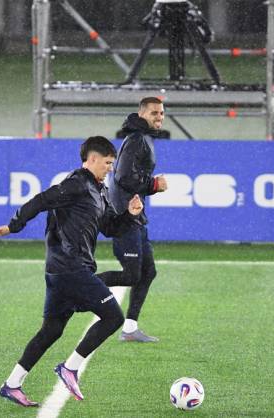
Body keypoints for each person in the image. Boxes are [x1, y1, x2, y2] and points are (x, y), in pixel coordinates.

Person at [0, 136, 143, 406]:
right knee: (113, 317)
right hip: (70, 267)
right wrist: (14, 226)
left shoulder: (99, 190)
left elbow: (109, 228)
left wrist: (130, 215)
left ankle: (12, 384)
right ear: (92, 159)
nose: (110, 168)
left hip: (62, 271)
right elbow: (40, 200)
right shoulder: (76, 183)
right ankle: (70, 368)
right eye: (107, 163)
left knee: (52, 331)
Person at [97, 97, 168, 343]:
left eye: (161, 113)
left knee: (148, 272)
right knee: (131, 276)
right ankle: (78, 285)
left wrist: (149, 186)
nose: (159, 117)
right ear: (142, 114)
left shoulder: (142, 136)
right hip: (124, 217)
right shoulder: (137, 139)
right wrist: (154, 185)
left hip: (136, 216)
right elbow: (124, 176)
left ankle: (129, 328)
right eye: (154, 113)